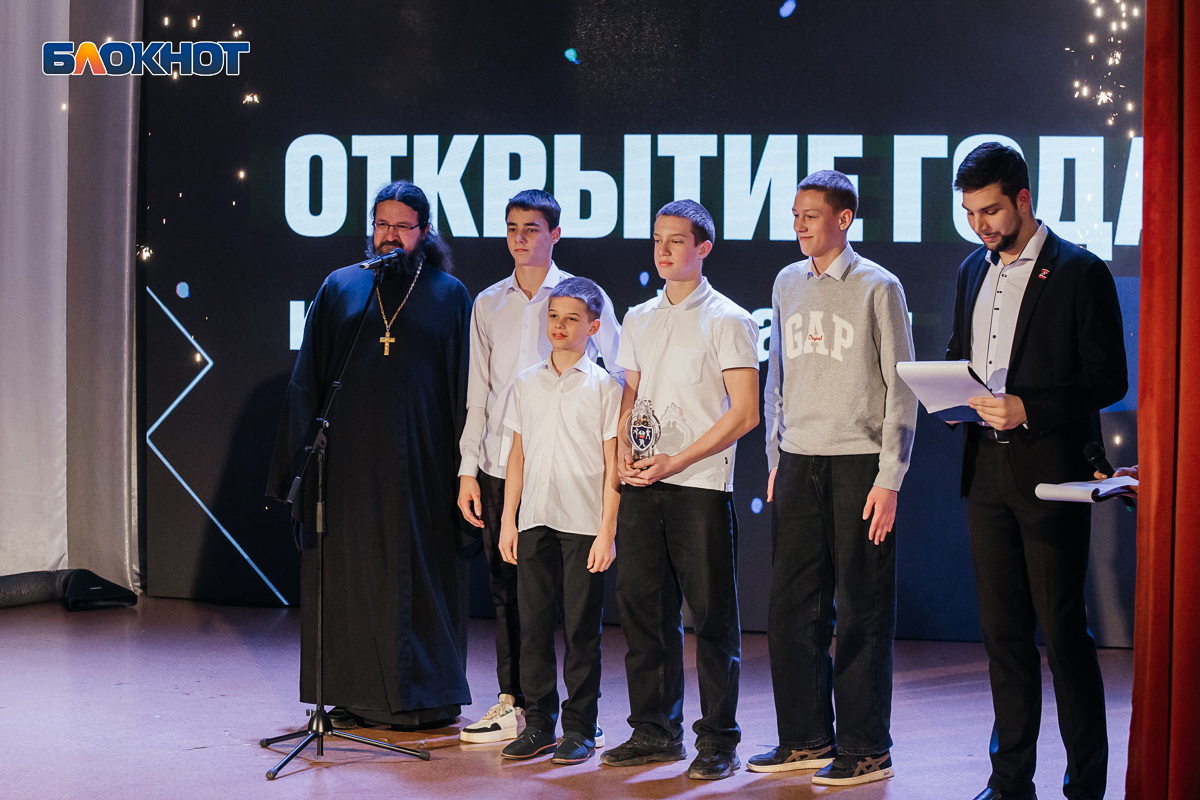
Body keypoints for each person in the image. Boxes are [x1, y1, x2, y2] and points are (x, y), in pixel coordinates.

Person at [947, 143, 1127, 800]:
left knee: (1063, 633)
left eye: (991, 211)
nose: (980, 226)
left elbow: (1109, 378)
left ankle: (1085, 787)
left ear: (1023, 199)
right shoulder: (971, 269)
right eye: (970, 213)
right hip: (985, 475)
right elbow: (959, 354)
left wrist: (1031, 408)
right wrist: (948, 394)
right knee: (1002, 638)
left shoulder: (1081, 270)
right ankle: (1009, 782)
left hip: (1052, 476)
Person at [266, 180, 476, 730]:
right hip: (348, 467)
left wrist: (468, 469)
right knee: (351, 576)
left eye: (403, 227)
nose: (390, 236)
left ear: (423, 233)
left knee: (419, 576)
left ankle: (426, 698)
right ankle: (351, 695)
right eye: (382, 225)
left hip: (424, 465)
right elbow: (307, 380)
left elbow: (466, 391)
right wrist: (294, 468)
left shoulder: (449, 295)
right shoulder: (341, 287)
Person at [753, 171, 917, 786]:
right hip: (798, 461)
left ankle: (867, 748)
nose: (799, 225)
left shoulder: (880, 285)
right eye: (795, 215)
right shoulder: (785, 281)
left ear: (843, 219)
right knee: (792, 610)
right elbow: (777, 377)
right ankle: (804, 738)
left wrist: (890, 476)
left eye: (811, 215)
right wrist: (775, 458)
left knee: (861, 608)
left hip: (859, 464)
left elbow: (901, 386)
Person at [600, 200, 760, 781]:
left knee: (712, 617)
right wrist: (623, 441)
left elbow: (745, 413)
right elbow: (632, 393)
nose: (663, 251)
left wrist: (678, 460)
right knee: (644, 612)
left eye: (676, 241)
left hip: (699, 485)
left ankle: (717, 740)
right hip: (645, 481)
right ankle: (654, 731)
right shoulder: (639, 316)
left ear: (703, 248)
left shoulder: (729, 319)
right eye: (657, 240)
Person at [457, 189, 622, 743]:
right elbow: (478, 394)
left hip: (577, 474)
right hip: (506, 465)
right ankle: (517, 705)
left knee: (576, 614)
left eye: (531, 228)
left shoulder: (582, 296)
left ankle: (579, 723)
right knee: (512, 594)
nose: (520, 238)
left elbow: (621, 374)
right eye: (512, 228)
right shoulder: (488, 303)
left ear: (555, 234)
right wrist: (468, 468)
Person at [493, 277, 622, 765]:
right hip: (535, 520)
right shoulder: (526, 381)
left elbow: (612, 464)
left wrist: (607, 531)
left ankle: (581, 728)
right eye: (553, 317)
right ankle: (539, 725)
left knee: (581, 632)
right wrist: (509, 521)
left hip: (584, 523)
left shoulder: (605, 386)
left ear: (593, 327)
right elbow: (517, 456)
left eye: (571, 319)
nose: (559, 327)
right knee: (533, 627)